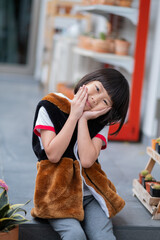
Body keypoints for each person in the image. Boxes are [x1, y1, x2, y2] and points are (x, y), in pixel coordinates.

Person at [31, 68, 129, 240]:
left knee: (104, 236)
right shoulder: (50, 105)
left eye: (105, 101)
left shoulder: (101, 122)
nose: (95, 99)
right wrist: (74, 115)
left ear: (109, 110)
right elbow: (53, 154)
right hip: (57, 194)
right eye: (97, 89)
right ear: (89, 81)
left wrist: (83, 119)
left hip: (91, 196)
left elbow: (86, 160)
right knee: (74, 235)